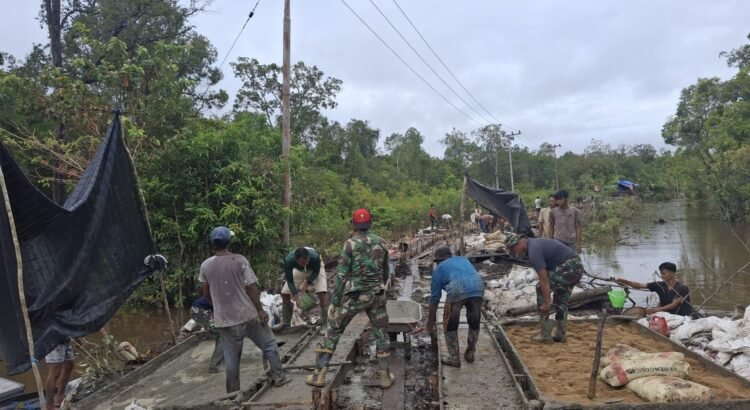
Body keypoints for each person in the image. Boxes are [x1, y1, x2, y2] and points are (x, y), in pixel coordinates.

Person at [306, 208, 392, 389]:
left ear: (353, 224)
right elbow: (386, 271)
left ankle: (319, 375)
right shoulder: (382, 242)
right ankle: (385, 375)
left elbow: (342, 275)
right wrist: (380, 287)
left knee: (333, 330)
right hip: (376, 295)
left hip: (355, 296)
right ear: (371, 223)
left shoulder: (350, 244)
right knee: (381, 334)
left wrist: (335, 301)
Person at [200, 226, 290, 393]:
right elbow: (251, 288)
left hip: (225, 321)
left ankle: (233, 394)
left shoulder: (206, 265)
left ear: (213, 243)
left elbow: (205, 293)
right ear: (229, 242)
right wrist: (260, 310)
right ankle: (279, 378)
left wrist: (219, 307)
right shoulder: (240, 260)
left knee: (231, 359)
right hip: (248, 315)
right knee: (269, 345)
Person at [506, 233, 585, 343]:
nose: (515, 253)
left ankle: (545, 334)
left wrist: (547, 303)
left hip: (569, 266)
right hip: (577, 267)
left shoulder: (533, 252)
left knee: (540, 288)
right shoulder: (534, 243)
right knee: (561, 298)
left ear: (518, 244)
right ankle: (560, 334)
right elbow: (548, 270)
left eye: (513, 250)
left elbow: (544, 279)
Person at [417, 246, 484, 367]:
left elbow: (434, 299)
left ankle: (454, 358)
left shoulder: (439, 269)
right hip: (479, 287)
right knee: (474, 321)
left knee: (449, 324)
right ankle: (470, 353)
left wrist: (430, 323)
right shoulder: (464, 259)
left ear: (438, 260)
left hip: (457, 290)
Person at [273, 247, 329, 331]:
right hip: (300, 270)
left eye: (307, 260)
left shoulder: (315, 257)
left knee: (322, 292)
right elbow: (290, 281)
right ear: (296, 260)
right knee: (285, 293)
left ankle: (325, 323)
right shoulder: (288, 261)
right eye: (303, 262)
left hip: (315, 268)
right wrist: (295, 296)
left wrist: (307, 283)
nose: (306, 263)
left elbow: (316, 272)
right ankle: (286, 322)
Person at [615, 262, 695, 317]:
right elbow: (639, 285)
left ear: (672, 273)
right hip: (667, 315)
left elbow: (673, 305)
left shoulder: (682, 288)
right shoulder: (659, 285)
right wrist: (624, 281)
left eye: (664, 273)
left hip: (682, 316)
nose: (661, 276)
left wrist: (656, 310)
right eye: (661, 273)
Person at [191, 296, 224, 373]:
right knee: (223, 336)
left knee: (221, 334)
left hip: (201, 310)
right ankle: (214, 366)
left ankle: (220, 360)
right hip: (200, 310)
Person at [44, 338, 75, 410]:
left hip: (66, 338)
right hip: (53, 340)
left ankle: (60, 396)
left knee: (69, 365)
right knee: (55, 371)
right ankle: (49, 405)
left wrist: (77, 338)